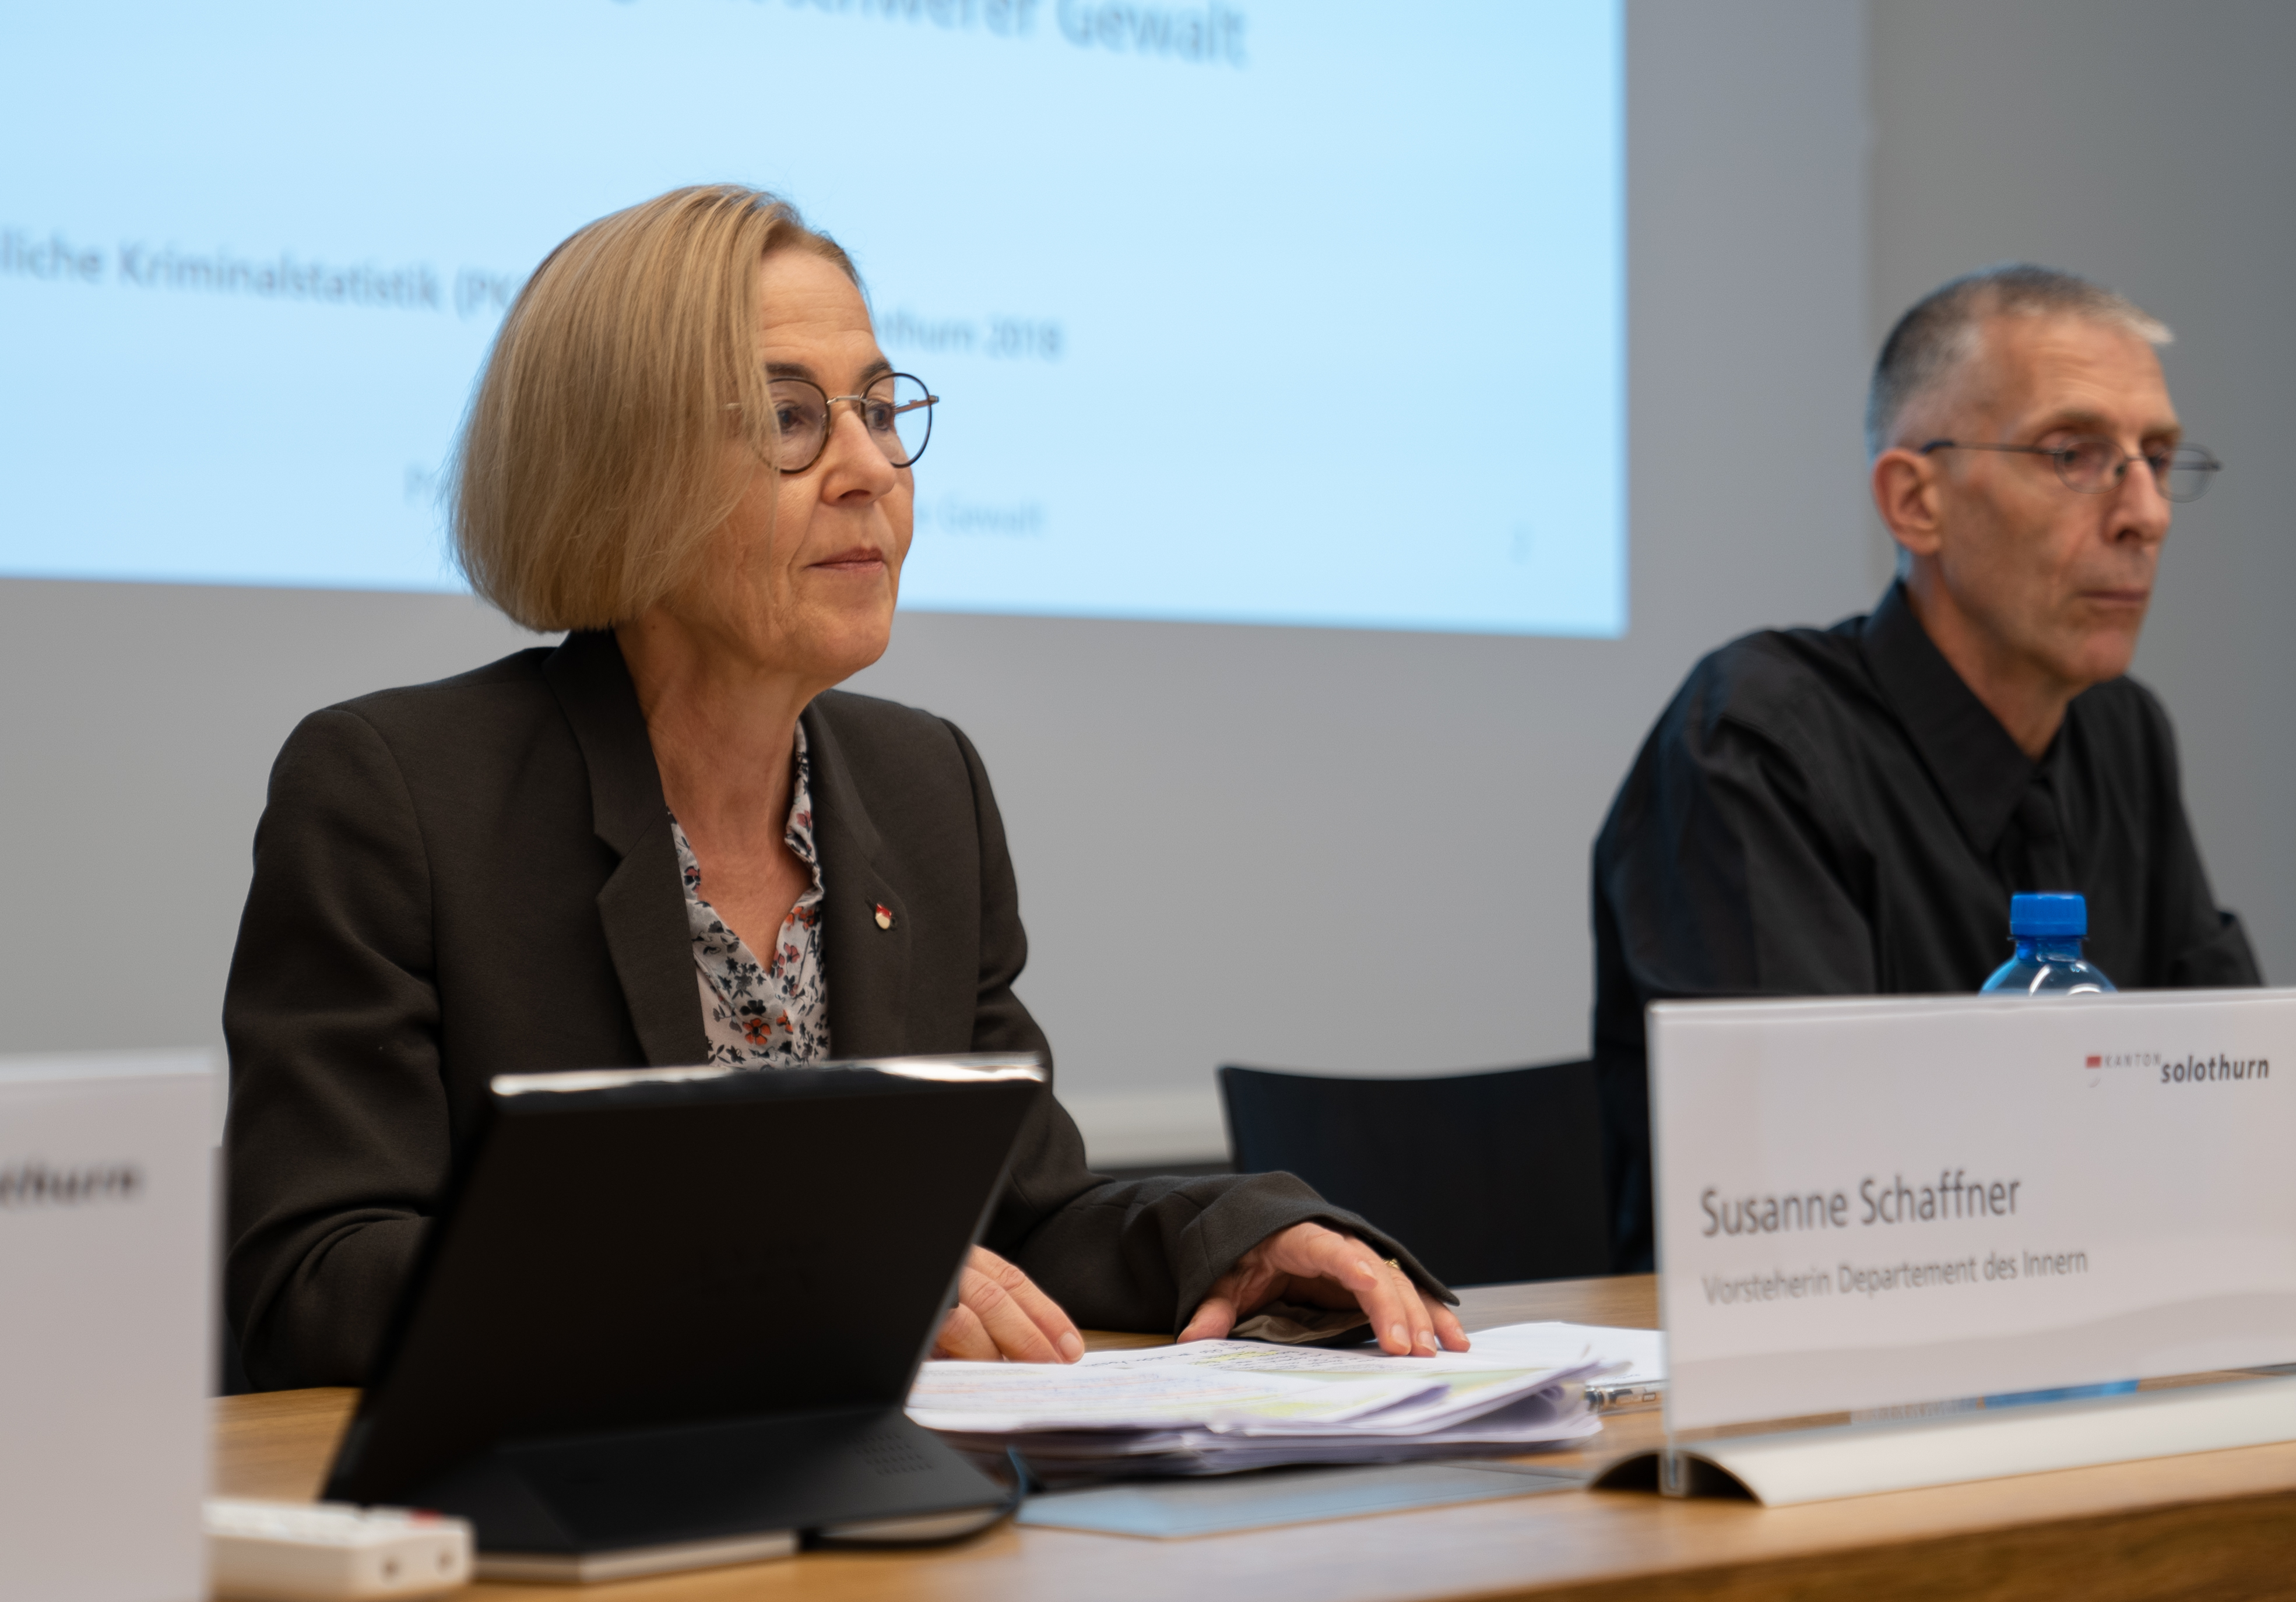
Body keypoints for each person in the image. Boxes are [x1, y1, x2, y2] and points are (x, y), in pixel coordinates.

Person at [223, 185, 1466, 1389]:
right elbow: (316, 1282)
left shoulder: (920, 784)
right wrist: (782, 1281)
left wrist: (1240, 1239)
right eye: (789, 418)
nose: (870, 466)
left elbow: (1022, 1213)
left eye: (879, 408)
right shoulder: (399, 793)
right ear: (615, 469)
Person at [1590, 262, 2296, 1271]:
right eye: (2077, 454)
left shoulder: (2122, 734)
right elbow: (1814, 1182)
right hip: (1796, 1394)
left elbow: (2237, 1074)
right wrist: (2294, 1192)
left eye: (2157, 457)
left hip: (2097, 1357)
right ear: (1915, 501)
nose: (2148, 513)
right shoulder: (1756, 736)